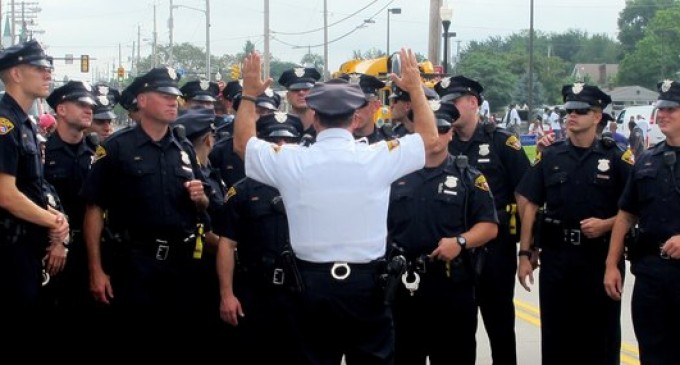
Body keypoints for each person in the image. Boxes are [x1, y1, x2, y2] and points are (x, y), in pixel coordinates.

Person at [232, 48, 437, 365]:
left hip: (309, 286)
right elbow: (429, 138)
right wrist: (414, 90)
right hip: (366, 287)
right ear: (356, 118)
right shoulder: (377, 157)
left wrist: (248, 95)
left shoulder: (293, 160)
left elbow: (244, 144)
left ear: (313, 116)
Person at [80, 66, 210, 341]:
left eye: (174, 95)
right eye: (164, 95)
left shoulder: (183, 149)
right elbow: (94, 209)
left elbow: (203, 206)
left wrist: (201, 199)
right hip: (134, 263)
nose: (172, 101)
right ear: (142, 100)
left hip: (180, 264)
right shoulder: (116, 148)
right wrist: (96, 270)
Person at [517, 83, 633, 365]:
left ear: (597, 117)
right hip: (558, 260)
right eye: (568, 110)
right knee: (557, 339)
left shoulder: (616, 158)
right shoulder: (552, 156)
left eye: (581, 111)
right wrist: (525, 252)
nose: (572, 116)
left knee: (600, 340)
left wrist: (606, 225)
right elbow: (530, 203)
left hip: (600, 258)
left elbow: (634, 210)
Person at [387, 102, 499, 365]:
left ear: (451, 133)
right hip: (403, 287)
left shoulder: (469, 177)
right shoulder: (393, 174)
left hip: (451, 286)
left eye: (443, 129)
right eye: (430, 128)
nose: (436, 135)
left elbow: (489, 226)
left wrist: (461, 241)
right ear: (415, 130)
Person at [435, 75, 530, 365]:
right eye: (444, 105)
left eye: (454, 103)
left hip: (495, 250)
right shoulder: (442, 143)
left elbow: (526, 198)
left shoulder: (502, 142)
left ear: (473, 102)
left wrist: (527, 249)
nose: (448, 111)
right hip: (453, 250)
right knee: (458, 332)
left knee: (500, 326)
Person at [216, 112, 305, 364]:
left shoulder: (310, 185)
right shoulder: (242, 191)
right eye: (274, 141)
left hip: (298, 290)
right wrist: (227, 294)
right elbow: (227, 244)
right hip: (255, 291)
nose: (282, 147)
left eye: (289, 141)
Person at [604, 79, 680, 364]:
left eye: (672, 109)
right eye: (661, 109)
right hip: (651, 276)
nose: (663, 115)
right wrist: (611, 265)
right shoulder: (648, 160)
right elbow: (625, 215)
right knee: (652, 353)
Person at [0, 40, 70, 333]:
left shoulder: (25, 123)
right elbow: (5, 194)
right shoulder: (4, 122)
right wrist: (54, 221)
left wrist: (56, 220)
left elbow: (34, 186)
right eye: (40, 68)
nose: (48, 74)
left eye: (48, 68)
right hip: (7, 250)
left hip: (26, 248)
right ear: (16, 74)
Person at [43, 80, 98, 323]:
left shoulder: (97, 153)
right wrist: (56, 242)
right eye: (81, 104)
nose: (89, 110)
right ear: (61, 110)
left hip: (91, 248)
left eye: (90, 105)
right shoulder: (42, 153)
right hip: (50, 250)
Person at [339, 73, 394, 143]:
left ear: (375, 106)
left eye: (359, 103)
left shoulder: (388, 143)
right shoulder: (336, 144)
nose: (353, 109)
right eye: (348, 104)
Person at [277, 66, 321, 141]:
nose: (301, 92)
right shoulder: (279, 128)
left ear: (314, 93)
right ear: (287, 96)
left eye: (306, 89)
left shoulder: (324, 127)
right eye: (295, 89)